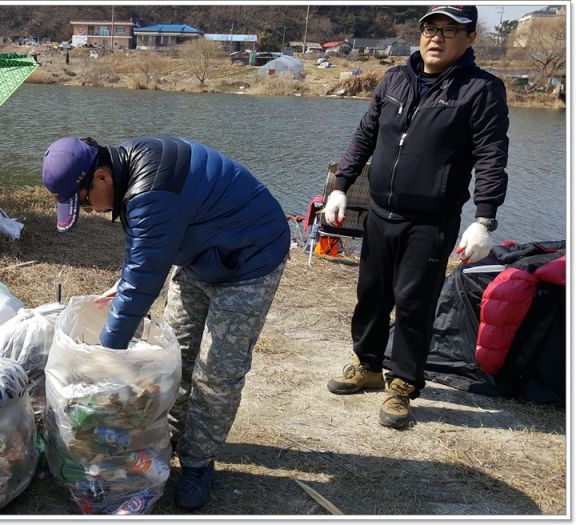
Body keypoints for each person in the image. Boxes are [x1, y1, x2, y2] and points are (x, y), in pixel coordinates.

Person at [41, 135, 290, 510]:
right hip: (201, 253)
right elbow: (145, 248)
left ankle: (197, 462)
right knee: (178, 355)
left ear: (103, 178)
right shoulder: (131, 171)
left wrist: (104, 363)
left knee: (216, 372)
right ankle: (170, 436)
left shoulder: (148, 190)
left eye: (85, 201)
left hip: (250, 257)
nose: (89, 210)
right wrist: (125, 282)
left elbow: (145, 275)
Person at [324, 5, 509, 429]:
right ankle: (367, 364)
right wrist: (338, 187)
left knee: (413, 304)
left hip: (431, 220)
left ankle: (403, 384)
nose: (436, 38)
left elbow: (491, 157)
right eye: (430, 28)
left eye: (449, 30)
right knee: (371, 294)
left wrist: (485, 218)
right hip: (380, 211)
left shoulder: (481, 90)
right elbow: (365, 135)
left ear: (470, 38)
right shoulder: (394, 79)